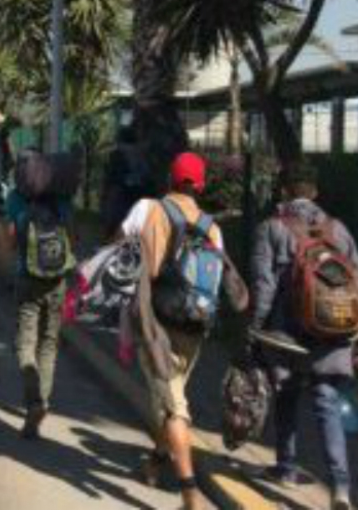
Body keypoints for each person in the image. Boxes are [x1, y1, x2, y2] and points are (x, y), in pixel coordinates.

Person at [119, 152, 247, 510]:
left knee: (174, 407)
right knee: (170, 398)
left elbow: (128, 257)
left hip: (156, 322)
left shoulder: (151, 211)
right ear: (201, 184)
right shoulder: (213, 227)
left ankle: (190, 492)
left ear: (170, 179)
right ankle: (155, 464)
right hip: (195, 325)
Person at [251, 162, 358, 510]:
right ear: (315, 193)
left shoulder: (271, 228)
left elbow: (264, 286)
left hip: (286, 333)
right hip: (333, 329)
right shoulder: (338, 229)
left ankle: (286, 468)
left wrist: (255, 330)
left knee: (286, 397)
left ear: (283, 191)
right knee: (326, 403)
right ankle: (340, 487)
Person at [5, 156, 76, 440]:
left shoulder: (16, 200)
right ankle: (42, 402)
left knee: (25, 343)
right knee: (48, 343)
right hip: (57, 279)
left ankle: (33, 400)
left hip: (27, 279)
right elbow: (74, 237)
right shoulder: (62, 202)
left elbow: (10, 242)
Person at [102, 126, 153, 238]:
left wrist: (106, 193)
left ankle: (111, 243)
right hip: (139, 192)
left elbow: (111, 175)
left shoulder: (117, 153)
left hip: (120, 191)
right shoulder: (143, 153)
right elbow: (147, 173)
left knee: (115, 221)